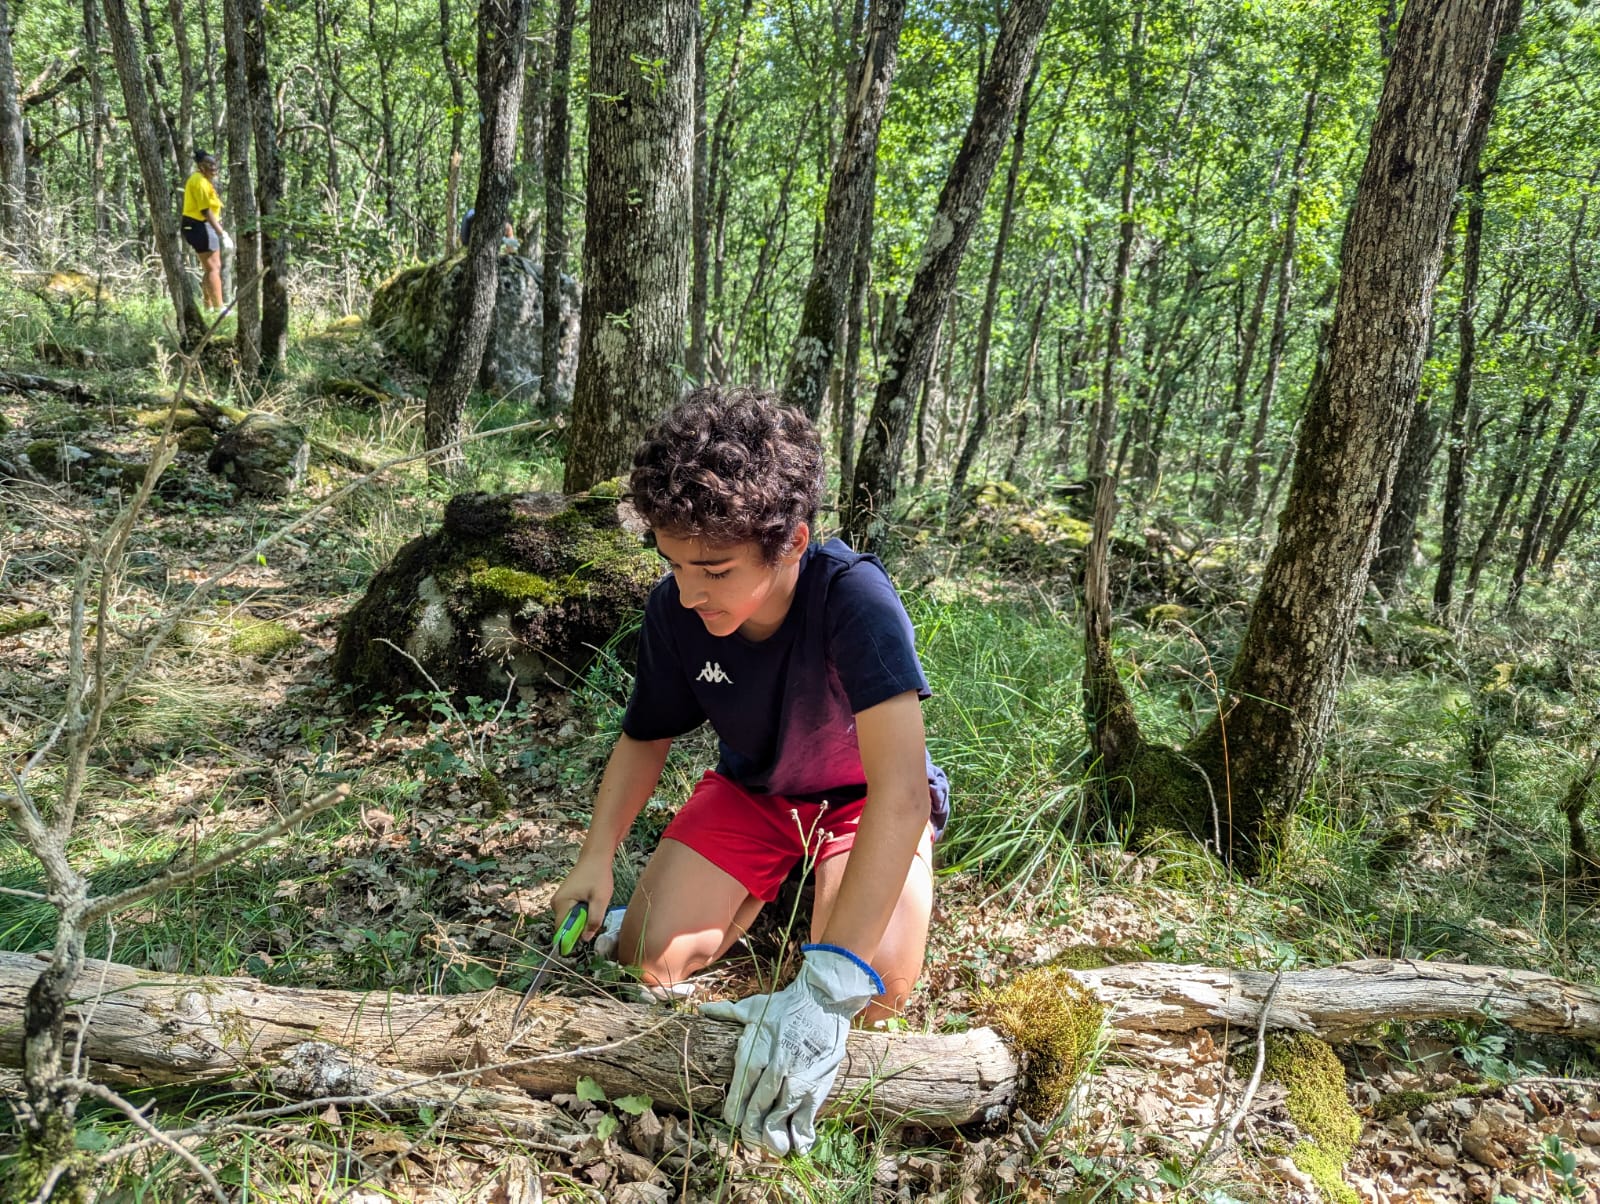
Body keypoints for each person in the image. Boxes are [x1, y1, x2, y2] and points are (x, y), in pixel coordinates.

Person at [550, 387, 948, 1158]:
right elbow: (645, 738)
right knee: (644, 956)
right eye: (672, 563)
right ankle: (767, 892)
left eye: (715, 569)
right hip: (755, 792)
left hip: (861, 802)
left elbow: (900, 793)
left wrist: (826, 992)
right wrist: (596, 858)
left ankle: (823, 905)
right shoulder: (675, 611)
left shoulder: (855, 600)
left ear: (793, 541)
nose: (689, 591)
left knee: (876, 997)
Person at [180, 150, 231, 310]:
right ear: (201, 166)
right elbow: (205, 211)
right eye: (209, 164)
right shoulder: (199, 182)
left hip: (199, 225)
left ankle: (208, 306)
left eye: (215, 164)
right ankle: (219, 308)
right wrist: (222, 234)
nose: (213, 167)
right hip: (200, 225)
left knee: (209, 267)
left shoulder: (204, 181)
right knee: (214, 268)